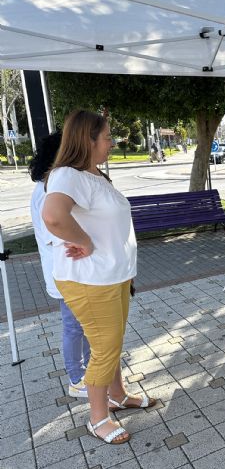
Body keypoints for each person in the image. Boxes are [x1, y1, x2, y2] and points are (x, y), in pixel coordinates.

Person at [42, 110, 156, 445]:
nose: (112, 142)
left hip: (112, 275)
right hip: (90, 279)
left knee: (112, 342)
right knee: (105, 347)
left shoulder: (94, 176)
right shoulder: (67, 175)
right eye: (107, 137)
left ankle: (118, 396)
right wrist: (84, 241)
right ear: (87, 140)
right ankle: (97, 417)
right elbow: (53, 216)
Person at [29, 131, 91, 398]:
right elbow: (55, 230)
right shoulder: (48, 189)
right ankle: (77, 379)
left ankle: (89, 371)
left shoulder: (51, 184)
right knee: (74, 325)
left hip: (69, 270)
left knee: (83, 324)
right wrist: (85, 240)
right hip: (64, 271)